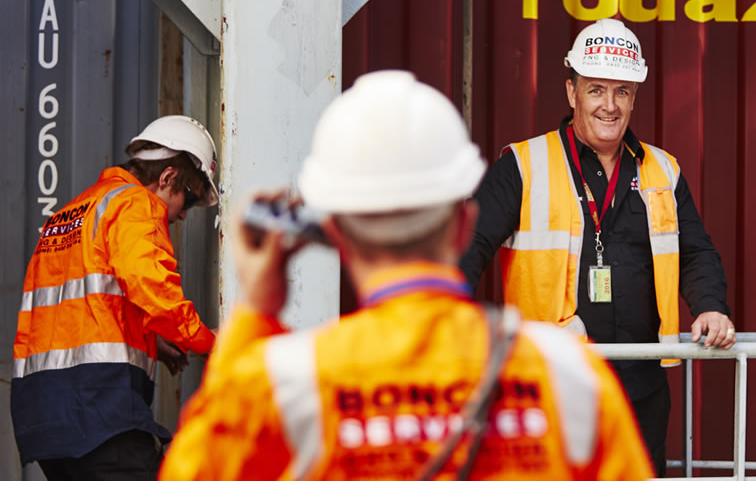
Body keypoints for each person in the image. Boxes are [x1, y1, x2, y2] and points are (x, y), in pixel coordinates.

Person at [159, 70, 653, 480]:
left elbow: (198, 464)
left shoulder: (286, 385)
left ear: (334, 232)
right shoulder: (569, 378)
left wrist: (256, 314)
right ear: (463, 226)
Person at [459, 18, 736, 476]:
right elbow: (468, 248)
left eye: (622, 92)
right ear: (571, 93)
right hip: (551, 383)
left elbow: (695, 251)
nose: (609, 106)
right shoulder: (523, 167)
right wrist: (448, 323)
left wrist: (710, 306)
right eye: (596, 90)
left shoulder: (662, 170)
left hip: (641, 383)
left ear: (634, 97)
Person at [12, 115, 220, 480]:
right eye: (187, 197)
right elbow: (154, 289)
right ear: (169, 177)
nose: (184, 213)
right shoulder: (134, 204)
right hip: (100, 412)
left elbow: (77, 311)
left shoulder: (68, 215)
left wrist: (152, 338)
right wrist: (212, 344)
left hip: (45, 418)